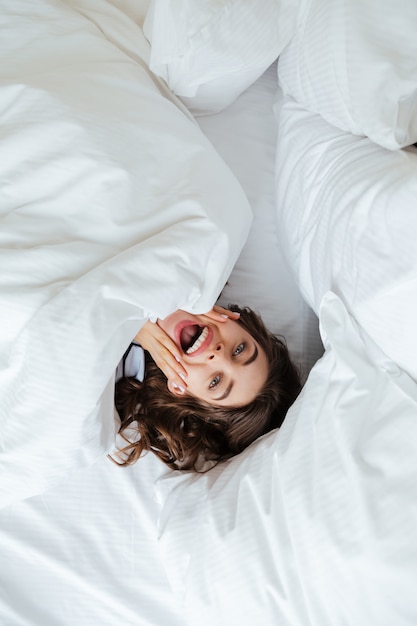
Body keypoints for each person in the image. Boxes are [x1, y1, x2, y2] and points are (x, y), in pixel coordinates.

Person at [112, 304, 301, 471]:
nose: (218, 356)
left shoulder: (107, 375)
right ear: (237, 321)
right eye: (239, 350)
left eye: (215, 382)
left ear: (180, 389)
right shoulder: (206, 268)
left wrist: (134, 322)